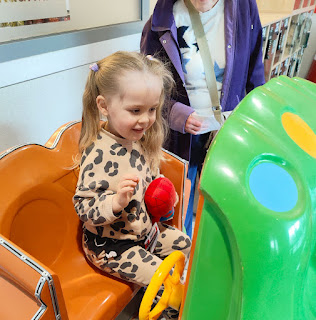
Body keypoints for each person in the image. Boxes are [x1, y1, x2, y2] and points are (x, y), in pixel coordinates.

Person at [141, 0, 265, 238]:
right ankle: (183, 260)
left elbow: (255, 73)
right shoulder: (165, 12)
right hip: (180, 136)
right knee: (178, 209)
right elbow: (148, 85)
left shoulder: (244, 7)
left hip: (229, 132)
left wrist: (252, 123)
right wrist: (178, 114)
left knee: (224, 207)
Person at [73, 51, 191, 290]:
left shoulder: (137, 138)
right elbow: (83, 207)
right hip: (111, 246)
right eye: (135, 111)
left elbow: (152, 177)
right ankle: (168, 307)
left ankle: (172, 295)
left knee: (184, 243)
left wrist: (166, 194)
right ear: (104, 106)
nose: (146, 120)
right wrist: (115, 203)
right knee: (163, 281)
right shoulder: (98, 154)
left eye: (152, 109)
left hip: (145, 233)